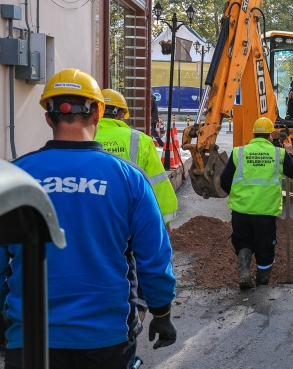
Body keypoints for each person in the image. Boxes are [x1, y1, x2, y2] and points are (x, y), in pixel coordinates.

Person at [0, 68, 177, 368]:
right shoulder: (129, 179)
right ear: (97, 114)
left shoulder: (15, 177)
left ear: (48, 117)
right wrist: (161, 313)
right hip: (106, 342)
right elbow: (155, 258)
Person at [219, 117, 293, 288]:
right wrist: (290, 153)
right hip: (265, 214)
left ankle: (244, 271)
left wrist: (238, 196)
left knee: (242, 242)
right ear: (271, 135)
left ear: (254, 134)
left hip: (241, 212)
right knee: (265, 250)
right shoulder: (279, 153)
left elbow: (224, 180)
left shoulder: (239, 152)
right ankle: (262, 286)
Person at [96, 88, 179, 227]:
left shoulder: (80, 138)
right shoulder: (140, 140)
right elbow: (157, 183)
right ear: (121, 115)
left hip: (91, 220)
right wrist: (165, 221)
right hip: (129, 220)